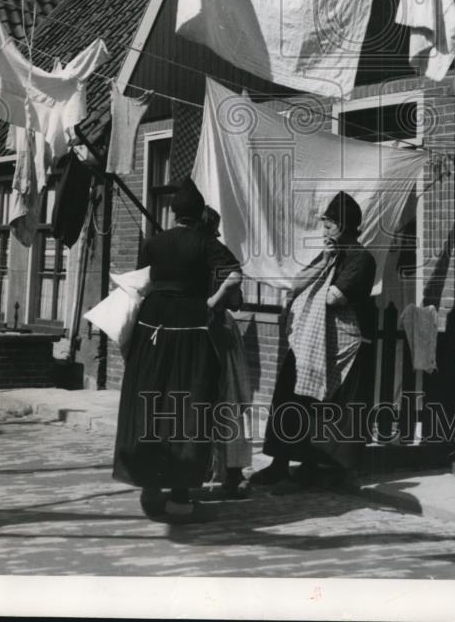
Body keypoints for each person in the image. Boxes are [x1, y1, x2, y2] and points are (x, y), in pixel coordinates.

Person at [113, 177, 242, 522]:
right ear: (199, 215)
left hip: (152, 325)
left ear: (173, 215)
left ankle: (149, 488)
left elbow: (145, 281)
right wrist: (211, 304)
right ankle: (180, 499)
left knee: (150, 397)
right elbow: (235, 275)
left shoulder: (155, 243)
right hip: (190, 325)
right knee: (188, 400)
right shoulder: (205, 241)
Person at [250, 191, 376, 491]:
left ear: (344, 227)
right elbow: (298, 284)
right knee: (288, 398)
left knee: (321, 410)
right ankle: (279, 464)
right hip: (308, 339)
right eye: (325, 224)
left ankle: (314, 469)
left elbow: (333, 298)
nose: (325, 230)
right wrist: (325, 262)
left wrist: (326, 269)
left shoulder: (360, 259)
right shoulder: (329, 256)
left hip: (339, 346)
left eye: (330, 224)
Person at [199, 205, 253, 500]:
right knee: (227, 405)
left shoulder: (182, 253)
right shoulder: (221, 256)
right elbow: (236, 301)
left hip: (197, 334)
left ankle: (212, 469)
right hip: (216, 332)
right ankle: (231, 472)